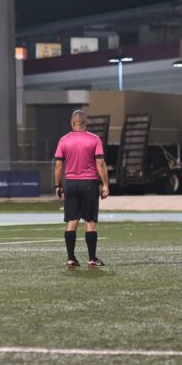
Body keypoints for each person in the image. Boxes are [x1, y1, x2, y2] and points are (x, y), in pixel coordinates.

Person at [53, 110, 110, 268]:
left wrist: (57, 185)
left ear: (72, 123)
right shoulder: (95, 139)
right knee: (90, 221)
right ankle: (92, 259)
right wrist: (105, 185)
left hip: (70, 183)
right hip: (89, 183)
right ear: (87, 123)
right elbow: (100, 163)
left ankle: (71, 258)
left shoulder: (64, 140)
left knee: (72, 221)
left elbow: (58, 164)